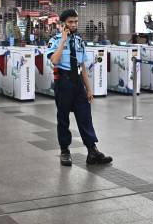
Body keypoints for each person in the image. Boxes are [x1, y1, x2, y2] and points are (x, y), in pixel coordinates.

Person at [47, 9, 112, 167]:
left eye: (75, 21)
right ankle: (64, 151)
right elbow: (54, 61)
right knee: (63, 119)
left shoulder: (79, 41)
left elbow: (82, 65)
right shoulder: (54, 40)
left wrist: (88, 89)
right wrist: (63, 40)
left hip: (78, 84)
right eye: (70, 22)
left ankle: (92, 151)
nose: (74, 24)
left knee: (85, 117)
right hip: (63, 82)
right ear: (63, 24)